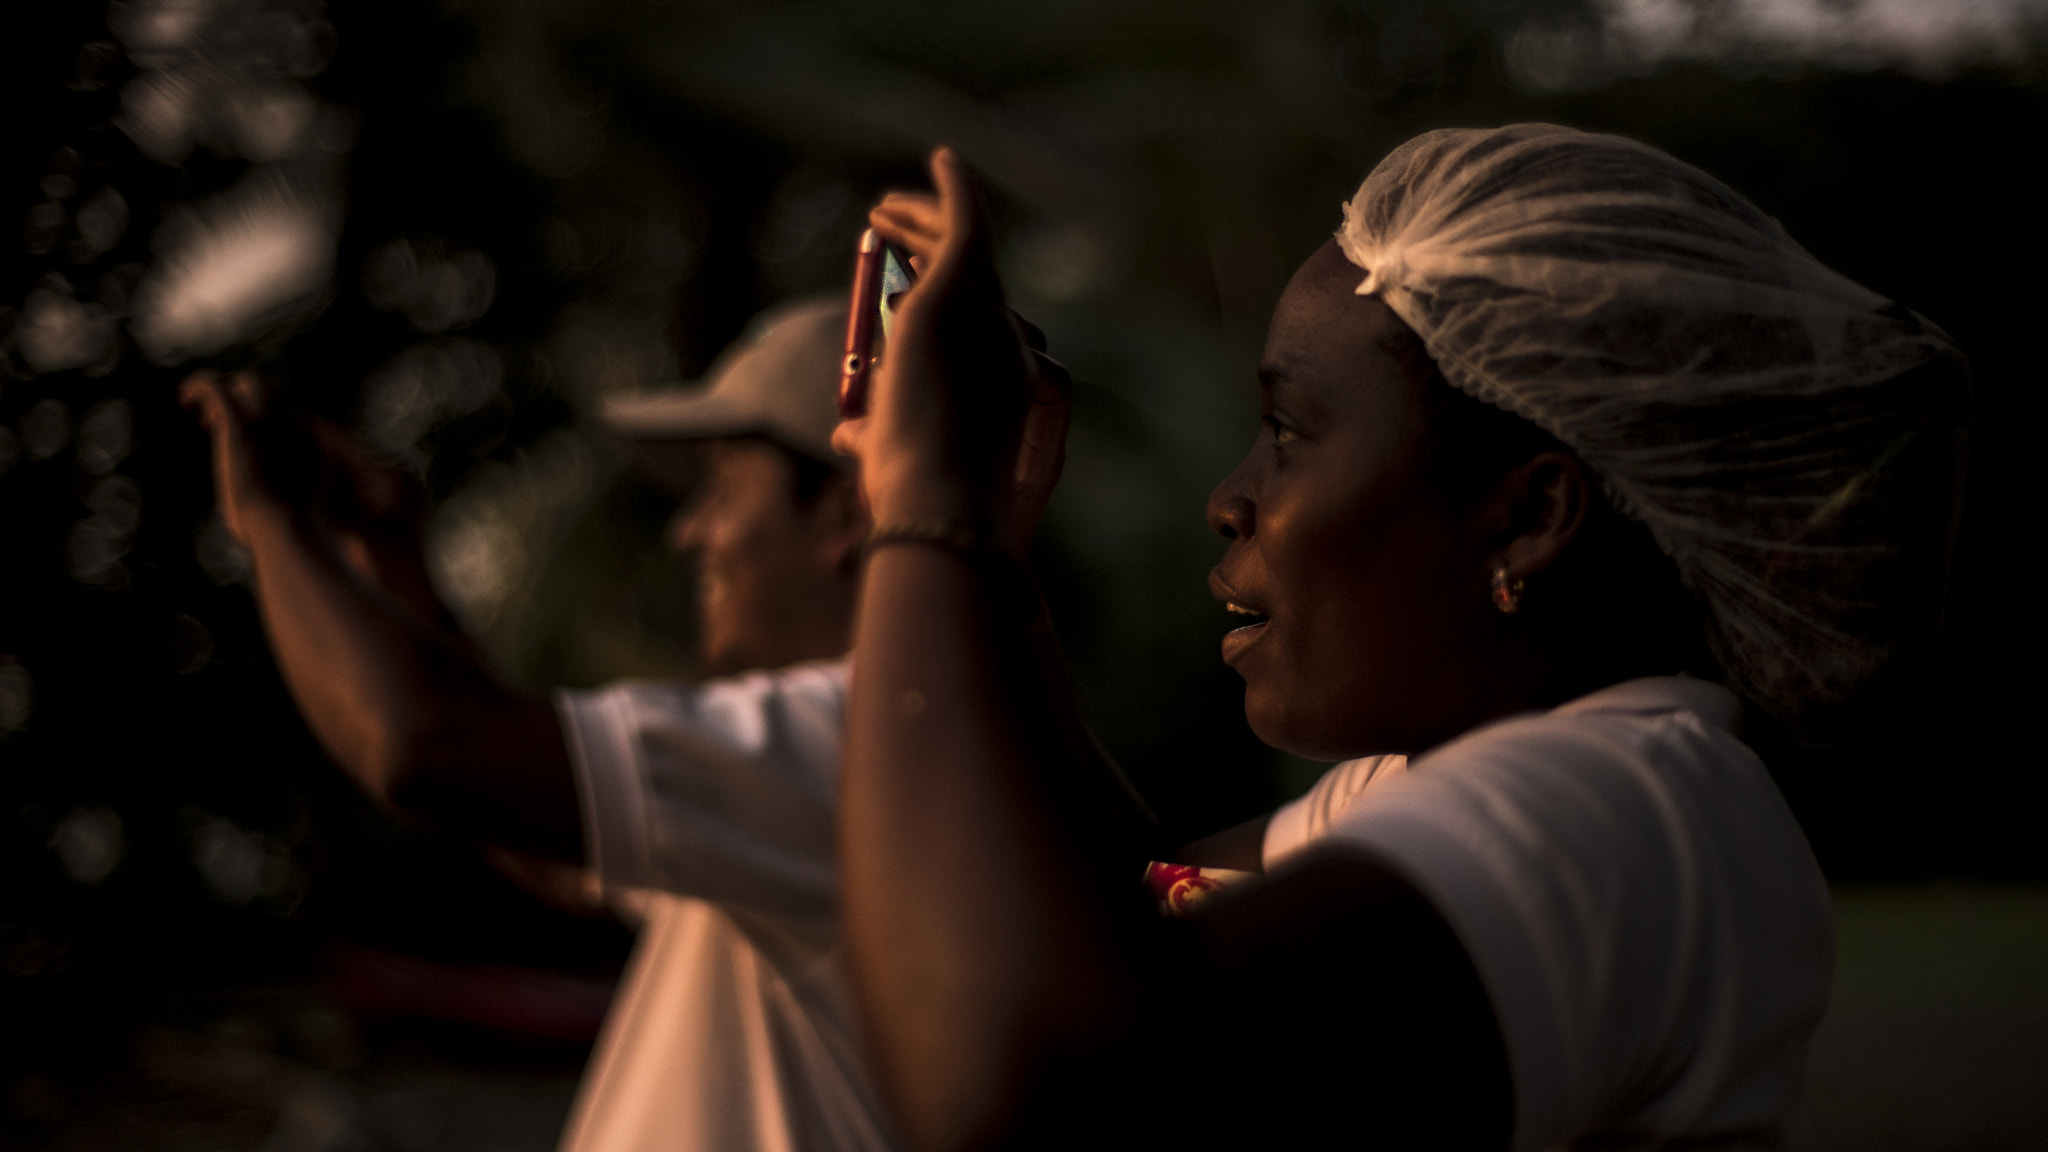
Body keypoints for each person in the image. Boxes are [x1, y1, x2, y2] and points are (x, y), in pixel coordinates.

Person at [827, 129, 1967, 1150]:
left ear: (1526, 519)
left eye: (1286, 430)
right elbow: (1132, 916)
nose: (1232, 495)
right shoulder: (1437, 788)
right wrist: (996, 580)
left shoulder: (1620, 807)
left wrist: (934, 514)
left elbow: (1047, 1086)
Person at [182, 299, 904, 1152]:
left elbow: (425, 750)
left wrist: (270, 522)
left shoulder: (855, 741)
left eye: (722, 487)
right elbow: (554, 851)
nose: (690, 531)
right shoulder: (845, 756)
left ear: (845, 512)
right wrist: (394, 564)